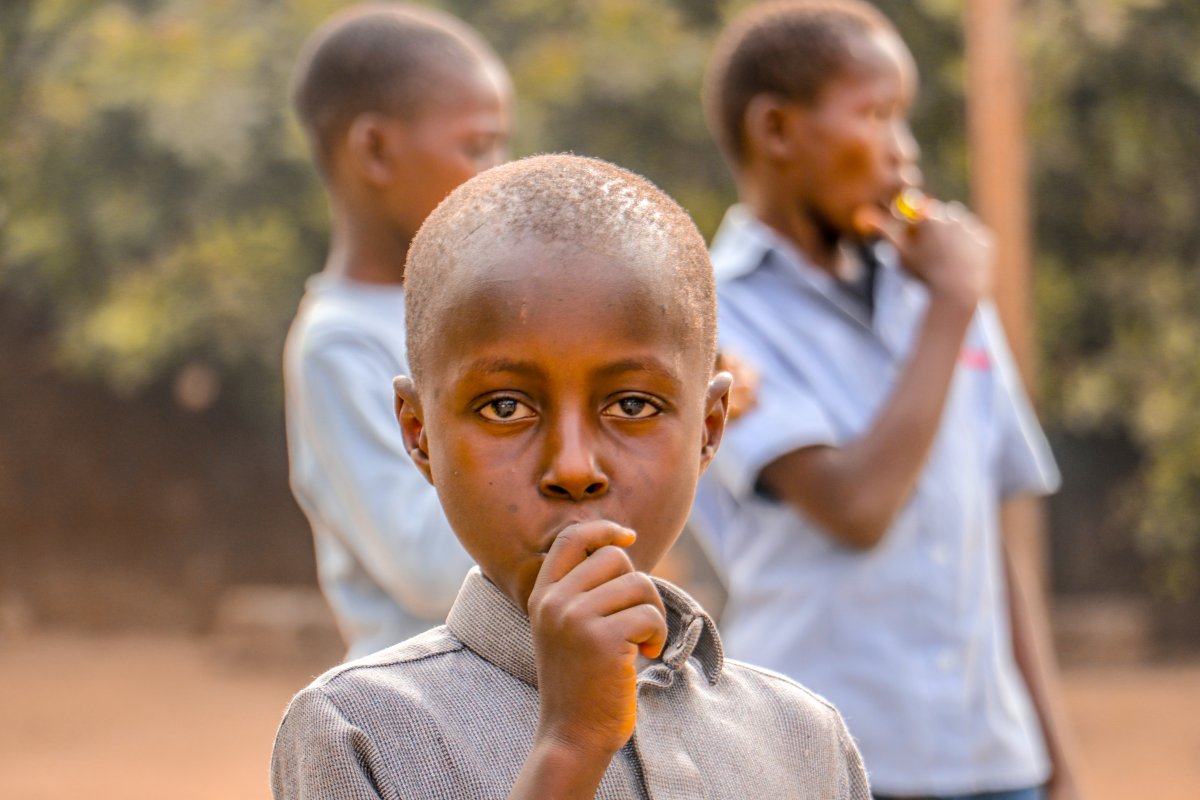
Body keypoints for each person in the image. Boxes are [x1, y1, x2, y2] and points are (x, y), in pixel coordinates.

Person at [270, 154, 871, 799]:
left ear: (708, 429)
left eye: (633, 405)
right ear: (419, 433)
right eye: (505, 408)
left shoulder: (801, 736)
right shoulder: (360, 730)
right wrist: (571, 744)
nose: (574, 468)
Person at [692, 2, 1081, 799]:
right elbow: (856, 506)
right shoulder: (713, 314)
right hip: (816, 764)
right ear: (776, 130)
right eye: (876, 115)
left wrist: (1053, 761)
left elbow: (987, 538)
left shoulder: (932, 292)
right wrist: (953, 305)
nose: (905, 150)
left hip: (992, 763)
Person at [284, 3, 513, 658]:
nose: (500, 172)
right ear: (375, 151)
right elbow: (429, 570)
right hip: (423, 703)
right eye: (477, 147)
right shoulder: (339, 343)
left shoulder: (482, 306)